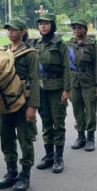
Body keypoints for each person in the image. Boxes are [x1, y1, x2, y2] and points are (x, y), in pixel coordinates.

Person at [0, 18, 39, 191]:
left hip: (23, 102)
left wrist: (33, 107)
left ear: (22, 32)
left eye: (13, 30)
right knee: (5, 136)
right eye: (8, 30)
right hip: (5, 102)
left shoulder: (30, 53)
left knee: (25, 139)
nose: (10, 32)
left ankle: (25, 174)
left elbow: (35, 81)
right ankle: (11, 172)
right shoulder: (4, 51)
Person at [33, 13, 71, 174]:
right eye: (41, 23)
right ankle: (49, 156)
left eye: (46, 23)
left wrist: (67, 89)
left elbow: (66, 68)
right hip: (42, 88)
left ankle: (58, 158)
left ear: (52, 25)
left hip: (57, 88)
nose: (43, 26)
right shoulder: (36, 43)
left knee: (58, 122)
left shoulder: (61, 44)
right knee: (46, 122)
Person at [67, 18, 97, 151]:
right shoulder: (69, 44)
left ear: (85, 29)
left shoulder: (92, 44)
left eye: (79, 27)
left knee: (90, 111)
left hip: (89, 82)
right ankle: (80, 136)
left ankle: (90, 137)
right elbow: (66, 66)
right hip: (74, 82)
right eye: (74, 27)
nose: (76, 30)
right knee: (77, 109)